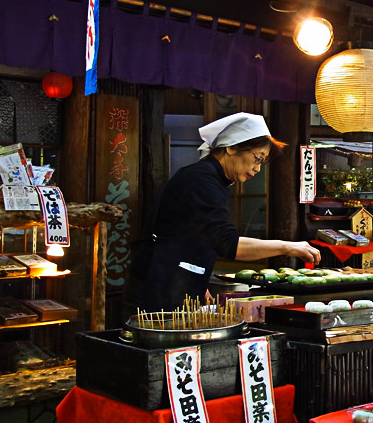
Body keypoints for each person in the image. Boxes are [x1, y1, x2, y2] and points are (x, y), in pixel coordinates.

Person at [125, 112, 321, 315]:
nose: (257, 168)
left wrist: (198, 280)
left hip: (171, 282)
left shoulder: (209, 178)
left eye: (262, 162)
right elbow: (228, 244)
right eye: (257, 158)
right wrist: (287, 247)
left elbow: (189, 236)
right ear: (231, 147)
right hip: (158, 287)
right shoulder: (202, 181)